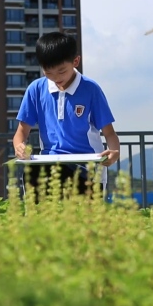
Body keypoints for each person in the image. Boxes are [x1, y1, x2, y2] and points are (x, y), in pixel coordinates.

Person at [12, 32, 120, 199]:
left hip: (87, 168)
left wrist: (113, 152)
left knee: (85, 223)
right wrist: (19, 146)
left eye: (61, 71)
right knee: (32, 179)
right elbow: (21, 132)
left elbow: (109, 133)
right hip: (48, 164)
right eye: (48, 73)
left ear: (75, 61)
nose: (56, 78)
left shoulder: (91, 89)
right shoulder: (36, 89)